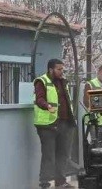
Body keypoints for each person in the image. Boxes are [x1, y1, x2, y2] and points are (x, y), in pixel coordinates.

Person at [33, 59, 76, 189]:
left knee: (63, 154)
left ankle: (61, 182)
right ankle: (44, 183)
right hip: (48, 125)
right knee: (49, 155)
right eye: (59, 69)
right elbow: (39, 99)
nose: (61, 72)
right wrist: (47, 106)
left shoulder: (63, 82)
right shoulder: (42, 81)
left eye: (62, 69)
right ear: (51, 69)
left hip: (65, 123)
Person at [84, 64, 102, 144]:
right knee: (96, 145)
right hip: (94, 121)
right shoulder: (90, 84)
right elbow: (86, 102)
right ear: (98, 73)